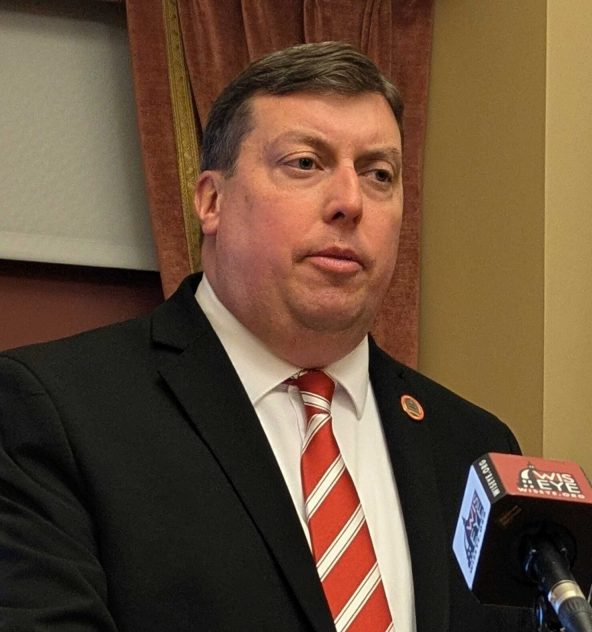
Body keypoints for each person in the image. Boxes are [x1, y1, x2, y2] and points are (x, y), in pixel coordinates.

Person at [0, 42, 531, 631]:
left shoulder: (474, 447)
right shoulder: (55, 412)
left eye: (379, 174)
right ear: (212, 201)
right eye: (305, 163)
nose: (350, 202)